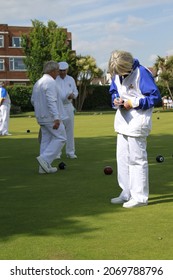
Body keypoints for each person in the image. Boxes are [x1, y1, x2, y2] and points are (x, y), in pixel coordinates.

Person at [108, 50, 162, 208]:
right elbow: (113, 91)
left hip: (138, 121)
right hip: (122, 122)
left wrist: (133, 103)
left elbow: (154, 97)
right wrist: (116, 100)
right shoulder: (117, 73)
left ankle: (139, 197)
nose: (118, 75)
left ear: (127, 66)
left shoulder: (141, 73)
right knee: (122, 158)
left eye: (120, 71)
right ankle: (126, 193)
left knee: (137, 160)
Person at [31, 61, 67, 174]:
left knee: (46, 140)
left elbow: (33, 100)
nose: (58, 73)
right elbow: (52, 101)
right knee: (61, 137)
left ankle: (43, 167)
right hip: (50, 117)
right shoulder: (50, 82)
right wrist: (56, 117)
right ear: (52, 71)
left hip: (41, 117)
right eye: (57, 71)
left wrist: (40, 111)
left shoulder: (38, 82)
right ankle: (45, 159)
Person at [55, 61, 78, 159]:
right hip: (58, 107)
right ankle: (57, 153)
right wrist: (65, 97)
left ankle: (70, 152)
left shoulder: (71, 79)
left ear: (67, 70)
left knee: (70, 130)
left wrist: (73, 95)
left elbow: (76, 91)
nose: (62, 73)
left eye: (64, 71)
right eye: (60, 71)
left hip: (69, 107)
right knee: (58, 131)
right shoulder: (55, 79)